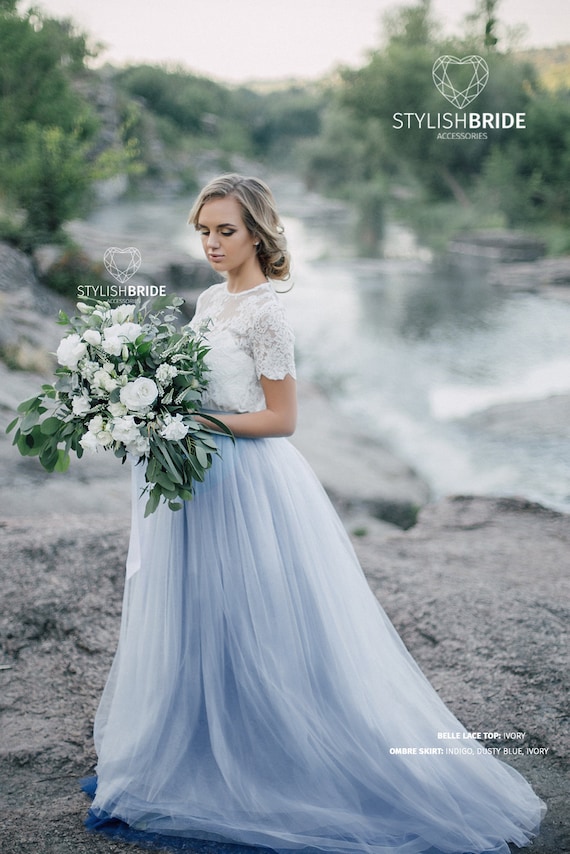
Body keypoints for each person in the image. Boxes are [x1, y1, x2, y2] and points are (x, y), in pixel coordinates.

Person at [83, 174, 545, 854]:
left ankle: (273, 759)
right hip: (198, 481)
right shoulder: (212, 298)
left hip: (248, 484)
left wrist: (187, 418)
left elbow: (282, 417)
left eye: (226, 231)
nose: (212, 244)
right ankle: (201, 744)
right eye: (203, 231)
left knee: (257, 619)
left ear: (258, 234)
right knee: (203, 613)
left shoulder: (268, 313)